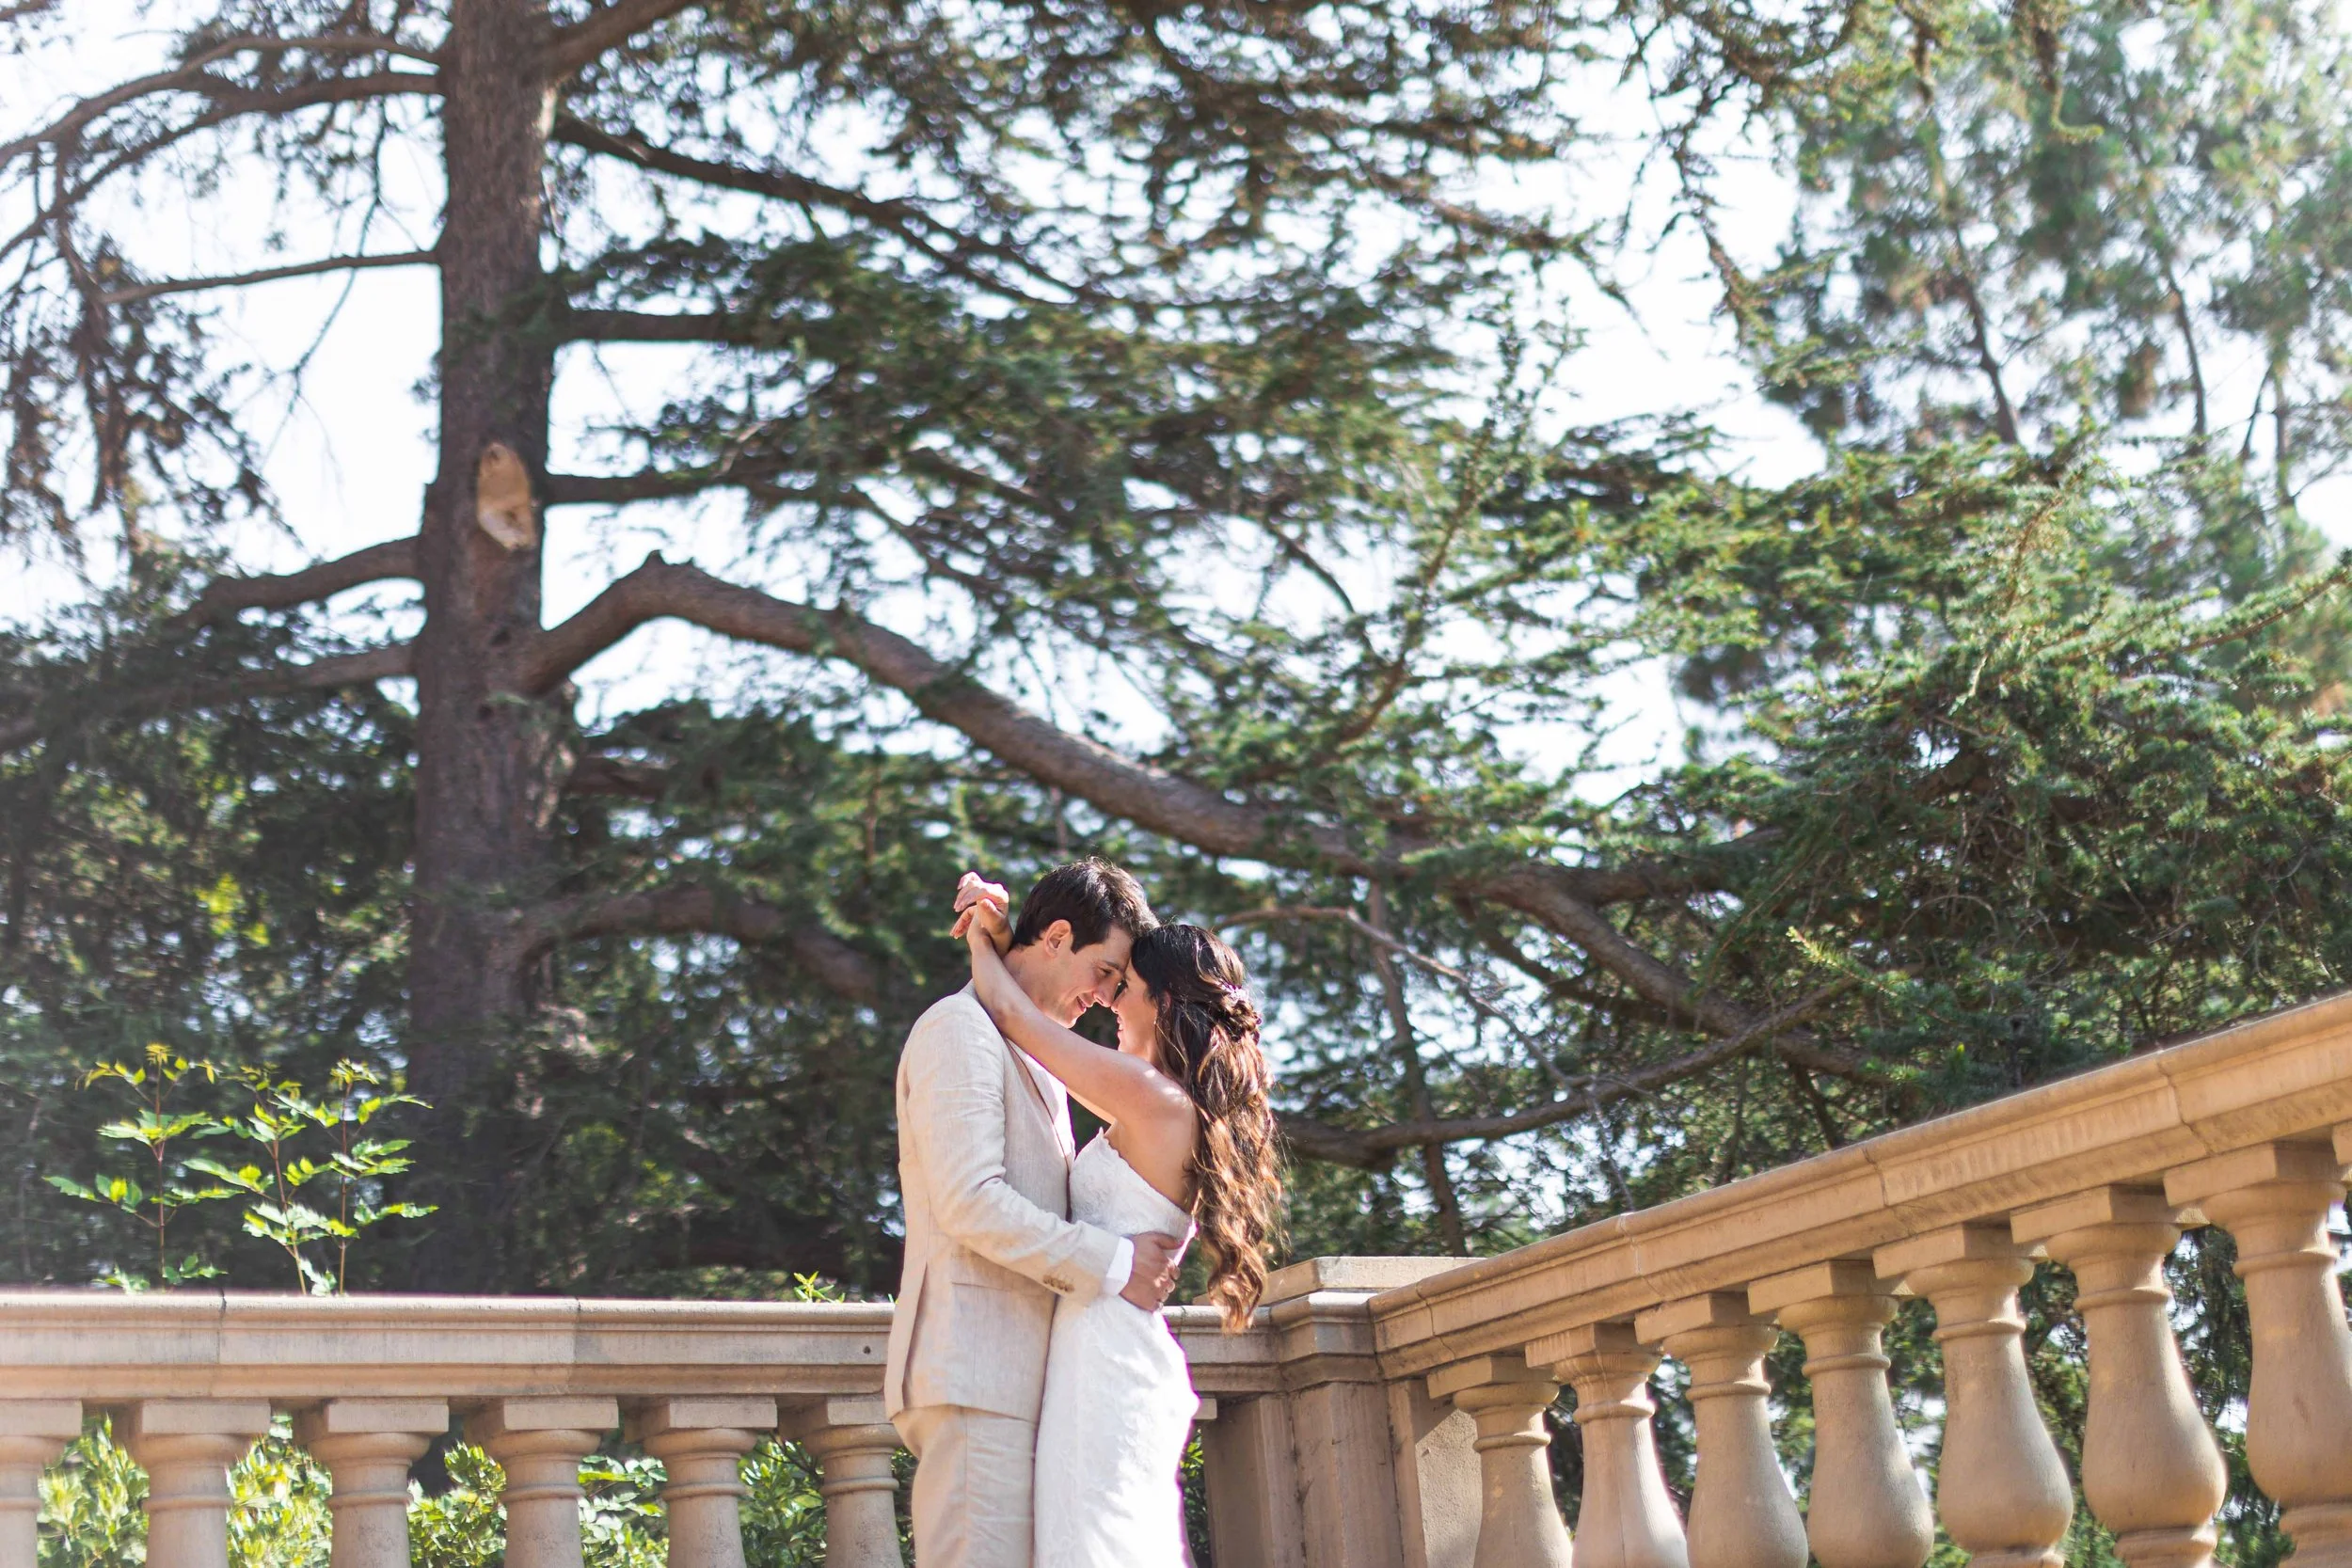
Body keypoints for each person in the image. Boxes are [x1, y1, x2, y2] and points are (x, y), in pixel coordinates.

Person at [951, 870, 1284, 1568]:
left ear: (1162, 1001)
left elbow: (1017, 1020)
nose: (1110, 1005)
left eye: (1123, 988)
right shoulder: (1158, 1101)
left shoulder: (1151, 1098)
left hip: (1104, 1360)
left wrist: (987, 940)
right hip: (1102, 1350)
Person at [884, 859, 1188, 1568]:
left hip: (1036, 1383)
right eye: (1105, 970)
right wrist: (1117, 1263)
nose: (1108, 995)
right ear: (1055, 936)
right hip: (975, 1375)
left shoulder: (1040, 1055)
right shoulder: (956, 1029)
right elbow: (970, 1201)